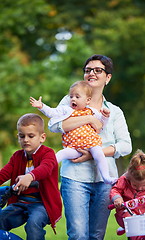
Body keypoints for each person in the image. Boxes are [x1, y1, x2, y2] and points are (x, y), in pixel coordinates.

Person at [45, 54, 132, 239]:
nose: (91, 73)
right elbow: (53, 125)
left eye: (98, 70)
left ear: (107, 78)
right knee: (77, 234)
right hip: (75, 177)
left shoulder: (114, 111)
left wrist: (95, 153)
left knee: (97, 235)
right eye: (88, 70)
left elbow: (125, 146)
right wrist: (88, 118)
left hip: (104, 180)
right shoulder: (71, 100)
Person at [30, 81, 116, 184]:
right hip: (74, 147)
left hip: (91, 144)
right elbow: (52, 112)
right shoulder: (66, 110)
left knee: (99, 155)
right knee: (60, 154)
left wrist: (105, 116)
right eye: (71, 97)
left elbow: (101, 125)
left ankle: (106, 177)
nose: (73, 99)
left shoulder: (92, 112)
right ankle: (41, 171)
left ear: (87, 100)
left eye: (77, 97)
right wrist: (42, 106)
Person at [0, 113, 62, 240]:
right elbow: (4, 174)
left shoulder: (48, 153)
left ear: (42, 137)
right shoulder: (17, 157)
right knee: (1, 218)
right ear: (18, 137)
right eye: (22, 136)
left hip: (42, 204)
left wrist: (30, 176)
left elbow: (46, 168)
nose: (26, 140)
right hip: (21, 203)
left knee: (33, 224)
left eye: (31, 136)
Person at [110, 149, 145, 240]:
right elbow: (115, 190)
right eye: (135, 185)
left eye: (144, 185)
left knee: (142, 227)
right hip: (125, 213)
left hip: (144, 214)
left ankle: (142, 236)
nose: (139, 188)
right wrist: (117, 198)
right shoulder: (124, 180)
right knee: (135, 227)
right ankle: (143, 238)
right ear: (129, 176)